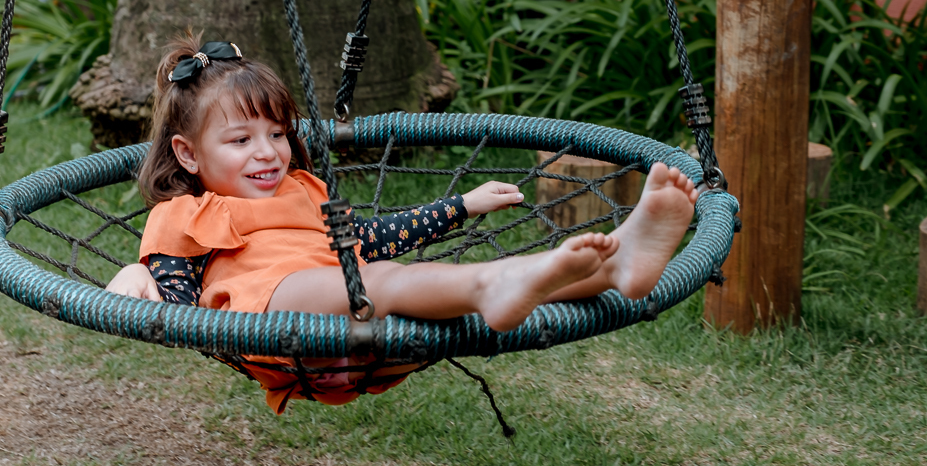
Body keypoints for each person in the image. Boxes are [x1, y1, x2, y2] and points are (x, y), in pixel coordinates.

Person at [107, 32, 698, 412]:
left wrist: (460, 206)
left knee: (394, 279)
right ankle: (495, 286)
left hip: (361, 338)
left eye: (277, 134)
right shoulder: (181, 212)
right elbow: (173, 294)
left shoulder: (303, 189)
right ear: (188, 154)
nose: (267, 152)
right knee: (381, 281)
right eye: (241, 140)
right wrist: (136, 283)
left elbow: (369, 237)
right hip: (271, 323)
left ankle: (617, 265)